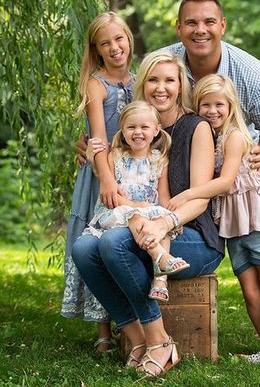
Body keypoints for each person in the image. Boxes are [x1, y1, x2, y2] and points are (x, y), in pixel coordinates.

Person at [75, 0, 260, 351]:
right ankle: (135, 337)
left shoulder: (245, 77)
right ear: (179, 28)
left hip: (225, 192)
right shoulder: (158, 82)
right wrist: (91, 142)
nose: (200, 29)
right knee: (87, 246)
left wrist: (250, 158)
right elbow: (116, 108)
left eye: (209, 21)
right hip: (162, 211)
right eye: (191, 22)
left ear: (222, 25)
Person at [71, 51, 223, 377]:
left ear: (181, 85)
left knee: (114, 243)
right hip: (144, 227)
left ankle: (160, 340)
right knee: (83, 249)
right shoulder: (137, 127)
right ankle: (137, 338)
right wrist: (85, 146)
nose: (161, 87)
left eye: (170, 80)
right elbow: (103, 143)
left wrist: (164, 221)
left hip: (192, 235)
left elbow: (200, 197)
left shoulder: (196, 128)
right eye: (153, 80)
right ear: (143, 84)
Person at [168, 74, 260, 362]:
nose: (213, 111)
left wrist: (186, 195)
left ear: (231, 105)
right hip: (233, 224)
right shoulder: (212, 136)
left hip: (256, 219)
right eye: (205, 105)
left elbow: (224, 183)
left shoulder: (235, 136)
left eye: (219, 104)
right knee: (249, 291)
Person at [61, 12, 135, 353]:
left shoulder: (140, 81)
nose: (114, 47)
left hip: (133, 174)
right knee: (96, 238)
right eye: (105, 43)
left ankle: (129, 320)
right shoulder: (96, 84)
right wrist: (105, 178)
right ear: (97, 49)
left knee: (122, 243)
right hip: (100, 175)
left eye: (119, 39)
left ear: (129, 39)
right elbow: (98, 140)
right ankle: (103, 331)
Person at [83, 101, 190, 302]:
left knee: (161, 219)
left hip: (147, 215)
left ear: (156, 130)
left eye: (144, 127)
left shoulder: (159, 160)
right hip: (115, 212)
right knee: (135, 216)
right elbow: (112, 197)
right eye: (131, 127)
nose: (138, 132)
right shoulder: (115, 156)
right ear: (122, 131)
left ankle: (161, 281)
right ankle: (161, 257)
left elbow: (163, 196)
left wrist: (170, 215)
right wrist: (135, 206)